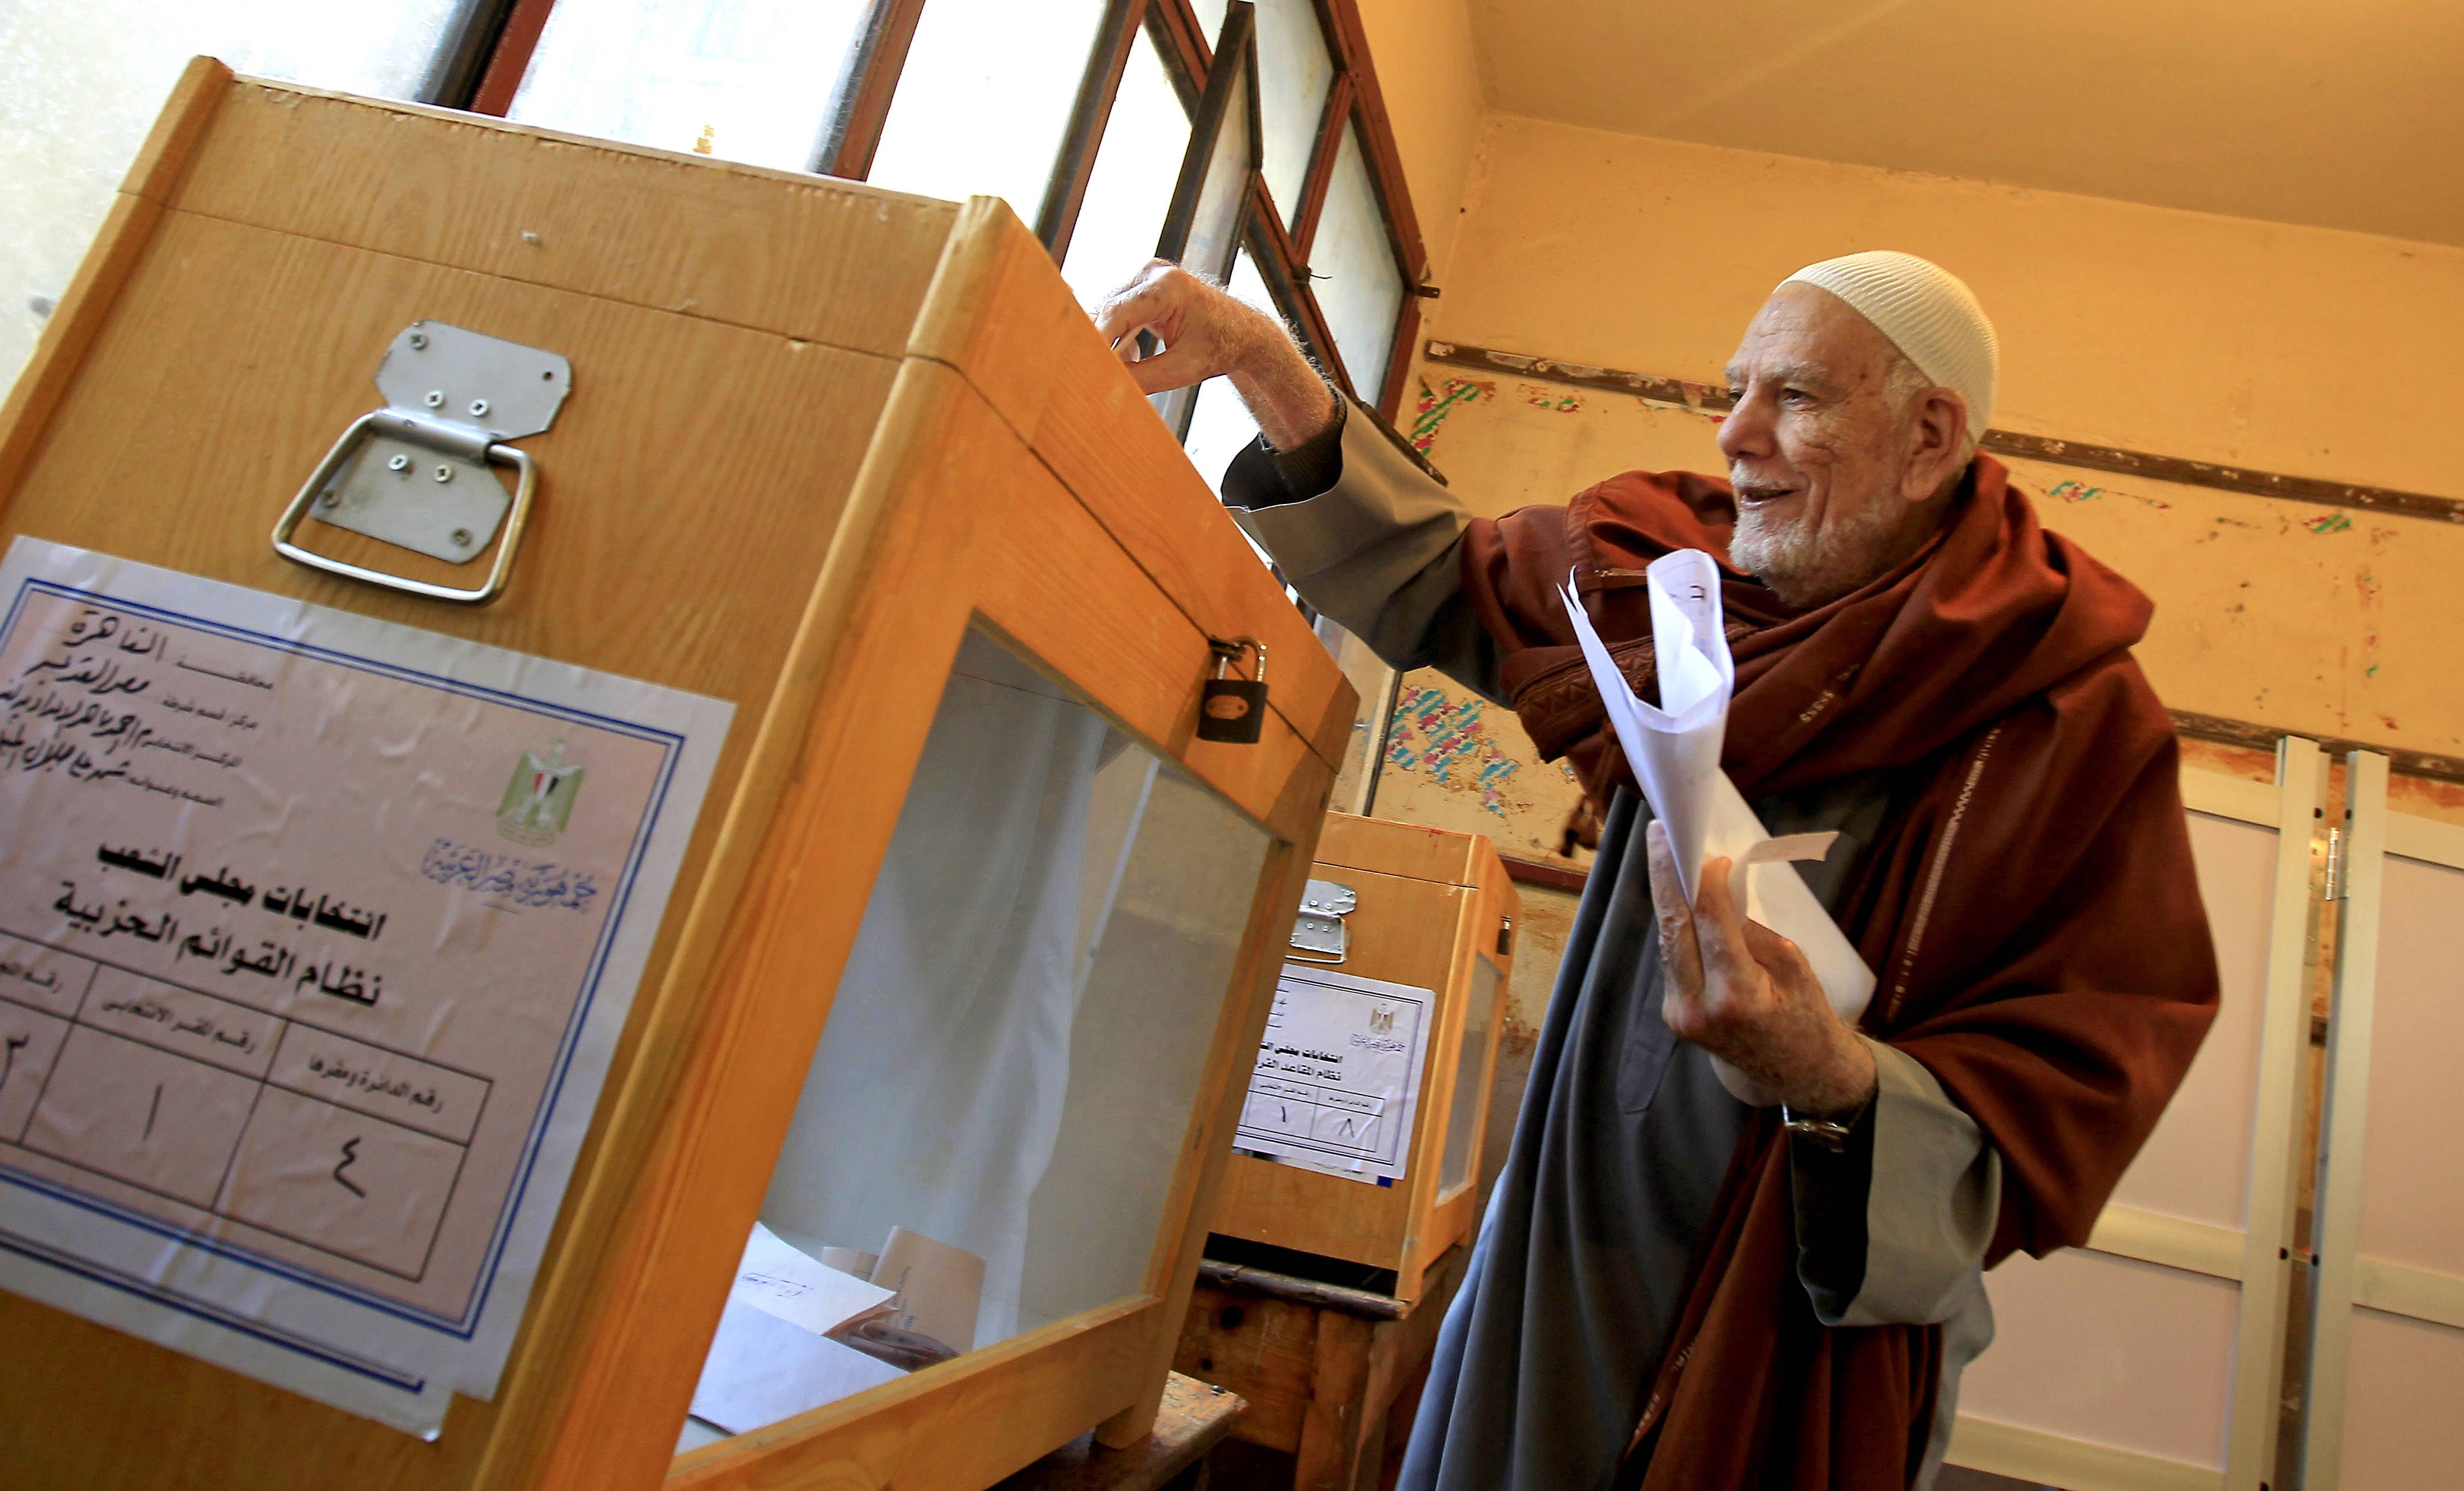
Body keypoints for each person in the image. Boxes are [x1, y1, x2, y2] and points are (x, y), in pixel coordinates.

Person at [1095, 251, 2220, 1490]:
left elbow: (2066, 1100)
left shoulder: (2071, 727)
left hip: (1784, 1326)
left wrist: (1830, 1075)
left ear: (1929, 434)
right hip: (1554, 1254)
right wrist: (1261, 357)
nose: (1736, 434)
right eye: (1736, 390)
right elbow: (1434, 574)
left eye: (1793, 398)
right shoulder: (1671, 585)